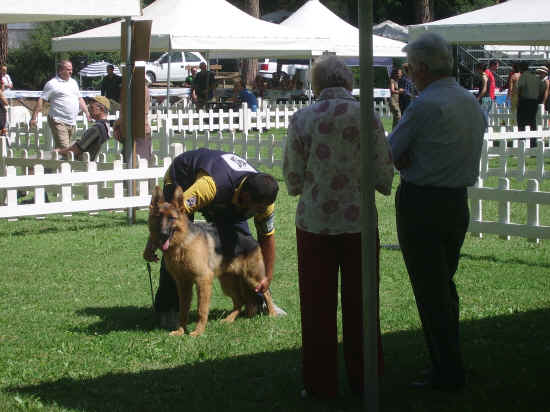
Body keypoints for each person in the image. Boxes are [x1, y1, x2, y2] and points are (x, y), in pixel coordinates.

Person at [283, 55, 394, 399]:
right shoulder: (368, 117)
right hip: (359, 223)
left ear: (316, 85)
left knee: (316, 305)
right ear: (348, 83)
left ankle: (320, 383)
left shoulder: (302, 118)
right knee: (363, 303)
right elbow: (383, 173)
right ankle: (366, 379)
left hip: (315, 224)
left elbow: (291, 178)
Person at [388, 32, 486, 392]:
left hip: (422, 203)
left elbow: (391, 150)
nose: (409, 73)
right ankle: (449, 359)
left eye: (411, 68)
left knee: (431, 292)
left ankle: (446, 371)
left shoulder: (424, 104)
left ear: (423, 68)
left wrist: (407, 157)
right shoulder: (469, 101)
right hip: (456, 202)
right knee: (444, 285)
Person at [143, 148, 286, 328]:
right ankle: (168, 308)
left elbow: (266, 238)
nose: (257, 213)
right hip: (183, 178)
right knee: (174, 248)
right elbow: (171, 217)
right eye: (255, 209)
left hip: (227, 195)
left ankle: (260, 301)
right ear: (245, 196)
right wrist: (153, 244)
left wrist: (267, 277)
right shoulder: (207, 187)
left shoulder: (264, 202)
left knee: (242, 246)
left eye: (260, 210)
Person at [29, 60, 91, 150]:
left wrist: (87, 113)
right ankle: (64, 163)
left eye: (71, 69)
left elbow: (79, 99)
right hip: (58, 120)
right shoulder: (52, 84)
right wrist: (34, 118)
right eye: (68, 69)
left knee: (62, 149)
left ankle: (53, 162)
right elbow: (41, 100)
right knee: (65, 149)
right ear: (61, 70)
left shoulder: (73, 82)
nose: (71, 72)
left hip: (71, 121)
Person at [56, 96, 110, 161]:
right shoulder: (106, 126)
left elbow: (75, 150)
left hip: (84, 165)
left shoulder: (97, 128)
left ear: (101, 109)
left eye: (91, 107)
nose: (88, 108)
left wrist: (58, 151)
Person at [113, 79, 152, 161]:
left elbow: (135, 112)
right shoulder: (131, 89)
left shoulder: (140, 89)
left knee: (139, 165)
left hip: (139, 133)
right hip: (131, 134)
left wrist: (117, 124)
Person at [517, 62, 545, 138]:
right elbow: (542, 87)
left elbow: (518, 87)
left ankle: (522, 138)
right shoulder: (535, 76)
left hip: (524, 101)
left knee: (522, 121)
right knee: (532, 120)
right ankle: (533, 140)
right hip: (535, 101)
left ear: (521, 68)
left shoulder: (523, 76)